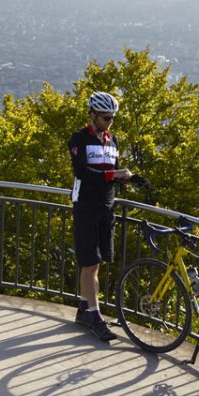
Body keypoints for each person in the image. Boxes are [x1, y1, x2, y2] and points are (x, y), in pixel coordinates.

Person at [68, 91, 133, 342]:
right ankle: (95, 317)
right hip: (86, 206)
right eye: (106, 118)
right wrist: (114, 175)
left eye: (112, 118)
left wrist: (128, 178)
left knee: (99, 261)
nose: (110, 122)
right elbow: (82, 172)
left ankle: (85, 308)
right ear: (93, 115)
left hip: (107, 207)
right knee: (89, 262)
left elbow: (110, 171)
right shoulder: (79, 139)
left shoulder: (112, 140)